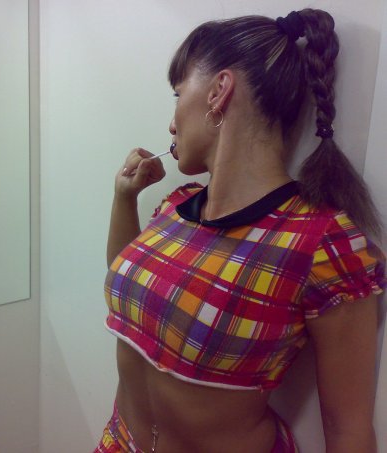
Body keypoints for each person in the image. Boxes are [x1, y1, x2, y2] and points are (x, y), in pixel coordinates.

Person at [98, 9, 384, 453]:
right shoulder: (176, 206)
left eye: (177, 95)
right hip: (119, 442)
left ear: (219, 91)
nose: (171, 123)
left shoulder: (321, 244)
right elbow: (127, 286)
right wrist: (124, 198)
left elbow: (347, 429)